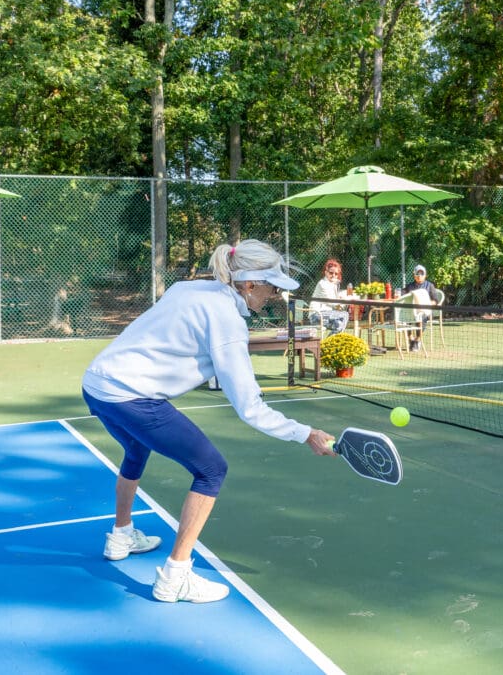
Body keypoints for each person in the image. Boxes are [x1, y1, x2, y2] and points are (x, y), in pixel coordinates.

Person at [82, 239, 338, 604]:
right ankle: (176, 575)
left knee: (136, 449)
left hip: (96, 384)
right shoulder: (228, 322)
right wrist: (306, 433)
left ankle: (121, 534)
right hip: (133, 396)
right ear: (249, 284)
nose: (275, 296)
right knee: (211, 469)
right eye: (271, 287)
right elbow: (250, 408)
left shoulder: (187, 287)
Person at [309, 258, 350, 333]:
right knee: (344, 315)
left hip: (327, 314)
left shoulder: (334, 284)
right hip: (316, 315)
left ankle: (328, 344)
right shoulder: (322, 284)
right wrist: (346, 300)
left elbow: (336, 301)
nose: (334, 275)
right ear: (326, 273)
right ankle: (328, 343)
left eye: (336, 273)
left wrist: (343, 297)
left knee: (339, 324)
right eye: (331, 273)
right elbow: (332, 303)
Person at [402, 264, 437, 351]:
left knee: (422, 317)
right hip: (411, 311)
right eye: (417, 274)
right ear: (414, 275)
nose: (419, 276)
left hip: (424, 311)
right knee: (405, 317)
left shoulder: (430, 286)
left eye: (422, 274)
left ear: (425, 275)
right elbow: (402, 295)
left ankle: (417, 340)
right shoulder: (410, 286)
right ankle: (411, 339)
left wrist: (426, 304)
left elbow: (435, 301)